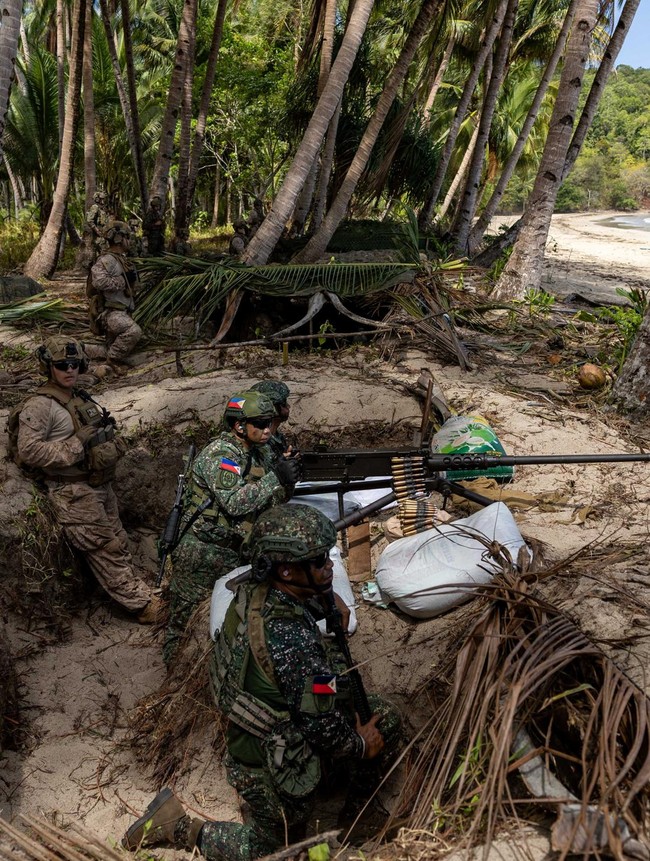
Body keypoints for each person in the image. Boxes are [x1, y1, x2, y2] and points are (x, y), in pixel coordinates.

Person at [123, 503, 401, 859]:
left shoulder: (256, 589)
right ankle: (177, 825)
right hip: (266, 759)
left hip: (267, 725)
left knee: (378, 714)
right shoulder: (292, 640)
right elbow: (321, 724)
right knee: (276, 850)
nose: (330, 566)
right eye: (319, 561)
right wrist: (361, 745)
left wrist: (323, 595)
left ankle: (356, 821)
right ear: (286, 570)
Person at [13, 337, 161, 623]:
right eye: (61, 365)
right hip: (72, 491)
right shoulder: (40, 405)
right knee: (105, 548)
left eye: (74, 364)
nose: (69, 370)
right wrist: (76, 445)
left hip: (98, 484)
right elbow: (28, 450)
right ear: (49, 367)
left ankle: (137, 591)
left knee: (118, 540)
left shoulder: (79, 396)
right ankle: (142, 606)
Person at [162, 390, 301, 666]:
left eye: (269, 422)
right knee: (184, 623)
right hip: (202, 553)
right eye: (260, 423)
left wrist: (288, 478)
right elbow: (235, 503)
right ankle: (175, 674)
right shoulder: (221, 455)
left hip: (234, 550)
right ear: (239, 426)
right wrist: (276, 477)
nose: (267, 429)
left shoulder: (259, 452)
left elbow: (270, 501)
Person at [88, 221, 143, 375]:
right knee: (133, 331)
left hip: (123, 311)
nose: (129, 241)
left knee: (108, 348)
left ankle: (84, 350)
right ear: (119, 238)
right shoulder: (107, 260)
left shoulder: (121, 259)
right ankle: (112, 360)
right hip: (112, 313)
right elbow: (99, 282)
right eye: (127, 237)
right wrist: (123, 280)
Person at [250, 380, 291, 464]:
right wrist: (279, 465)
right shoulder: (259, 440)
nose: (288, 406)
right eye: (283, 403)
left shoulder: (277, 437)